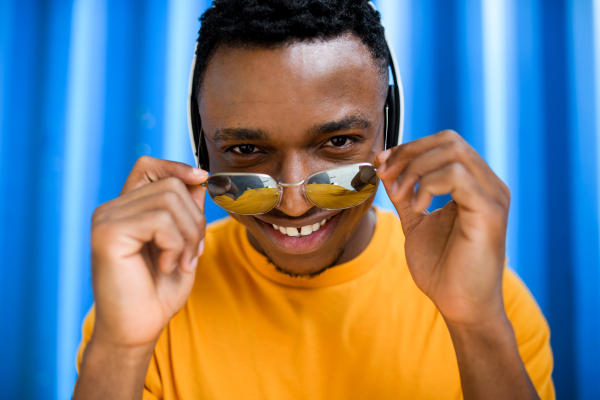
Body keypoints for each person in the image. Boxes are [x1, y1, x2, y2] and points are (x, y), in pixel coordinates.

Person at [73, 1, 554, 399]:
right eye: (245, 151)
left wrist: (477, 326)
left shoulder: (494, 308)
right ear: (202, 151)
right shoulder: (147, 299)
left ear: (390, 129)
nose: (296, 204)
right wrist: (119, 347)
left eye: (339, 142)